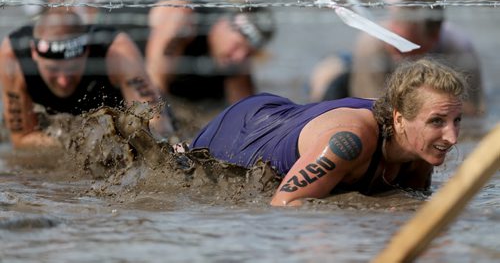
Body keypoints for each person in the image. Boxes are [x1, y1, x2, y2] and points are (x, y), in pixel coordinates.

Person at [191, 59, 466, 206]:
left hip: (294, 117)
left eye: (457, 121)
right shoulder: (348, 143)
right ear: (399, 118)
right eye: (437, 121)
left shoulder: (420, 152)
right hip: (246, 129)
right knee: (182, 166)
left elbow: (414, 205)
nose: (451, 137)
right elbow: (285, 203)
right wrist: (365, 212)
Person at [0, 8, 175, 150]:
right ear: (34, 53)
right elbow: (22, 141)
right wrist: (79, 143)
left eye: (72, 69)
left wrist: (118, 143)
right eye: (52, 70)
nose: (63, 80)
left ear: (87, 53)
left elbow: (158, 125)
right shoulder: (14, 57)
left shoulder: (117, 52)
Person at [97, 0, 275, 106]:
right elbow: (153, 95)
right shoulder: (182, 19)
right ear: (224, 24)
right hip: (109, 45)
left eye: (248, 53)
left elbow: (246, 110)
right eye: (237, 46)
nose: (239, 57)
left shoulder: (234, 55)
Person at [309, 0, 484, 117]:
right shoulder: (372, 43)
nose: (396, 54)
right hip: (352, 70)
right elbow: (371, 109)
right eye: (392, 38)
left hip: (421, 85)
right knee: (326, 77)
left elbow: (472, 111)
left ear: (434, 38)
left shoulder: (459, 49)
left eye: (403, 45)